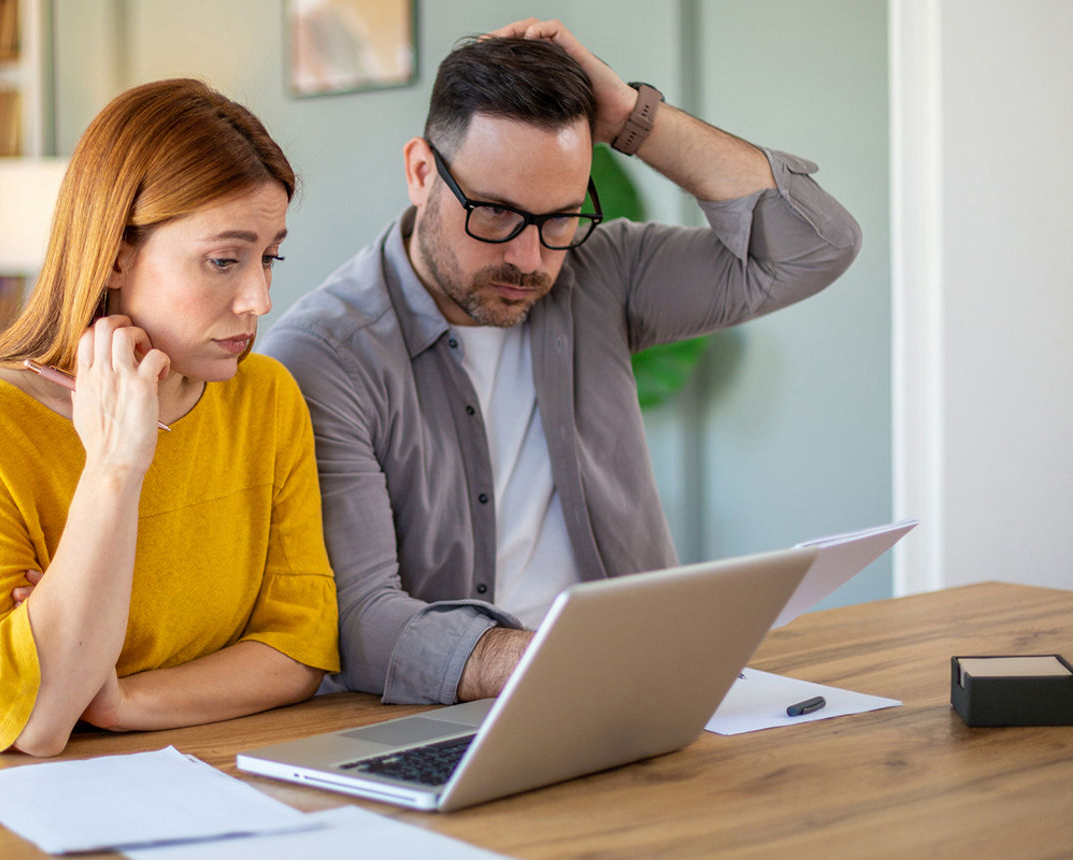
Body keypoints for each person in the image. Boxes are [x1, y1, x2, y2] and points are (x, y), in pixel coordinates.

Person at [260, 19, 861, 705]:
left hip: (633, 693)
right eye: (494, 213)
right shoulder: (323, 358)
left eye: (560, 218)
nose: (530, 259)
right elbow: (361, 621)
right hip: (457, 712)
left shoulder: (598, 272)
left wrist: (633, 117)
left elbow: (813, 247)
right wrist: (566, 664)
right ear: (422, 173)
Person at [0, 79, 339, 756]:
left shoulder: (264, 397)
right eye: (223, 261)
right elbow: (33, 723)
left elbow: (300, 650)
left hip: (165, 767)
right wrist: (115, 465)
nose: (259, 299)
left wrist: (119, 700)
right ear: (117, 254)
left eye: (269, 257)